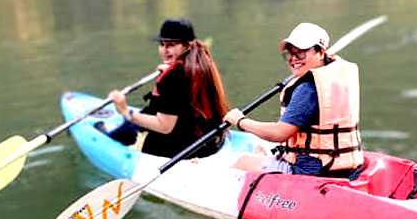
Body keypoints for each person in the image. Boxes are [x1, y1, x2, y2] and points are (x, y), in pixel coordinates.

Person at [223, 22, 364, 177]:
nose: (293, 59)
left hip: (312, 172)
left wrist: (241, 121)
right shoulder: (334, 77)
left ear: (321, 52)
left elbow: (279, 133)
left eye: (301, 52)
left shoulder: (307, 89)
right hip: (341, 168)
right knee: (260, 153)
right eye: (289, 53)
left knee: (244, 161)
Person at [106, 18, 229, 159]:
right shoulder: (203, 65)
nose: (164, 50)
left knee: (129, 127)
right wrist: (169, 69)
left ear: (187, 46)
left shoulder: (171, 78)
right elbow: (183, 86)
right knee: (143, 117)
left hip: (185, 151)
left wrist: (126, 112)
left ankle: (108, 137)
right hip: (209, 143)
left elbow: (165, 127)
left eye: (171, 45)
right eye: (162, 44)